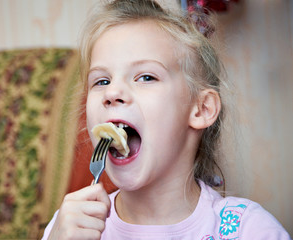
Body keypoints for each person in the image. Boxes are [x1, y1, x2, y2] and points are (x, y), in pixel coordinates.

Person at [42, 0, 291, 239]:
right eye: (101, 81)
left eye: (146, 77)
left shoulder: (251, 230)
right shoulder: (67, 228)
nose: (112, 93)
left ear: (202, 108)